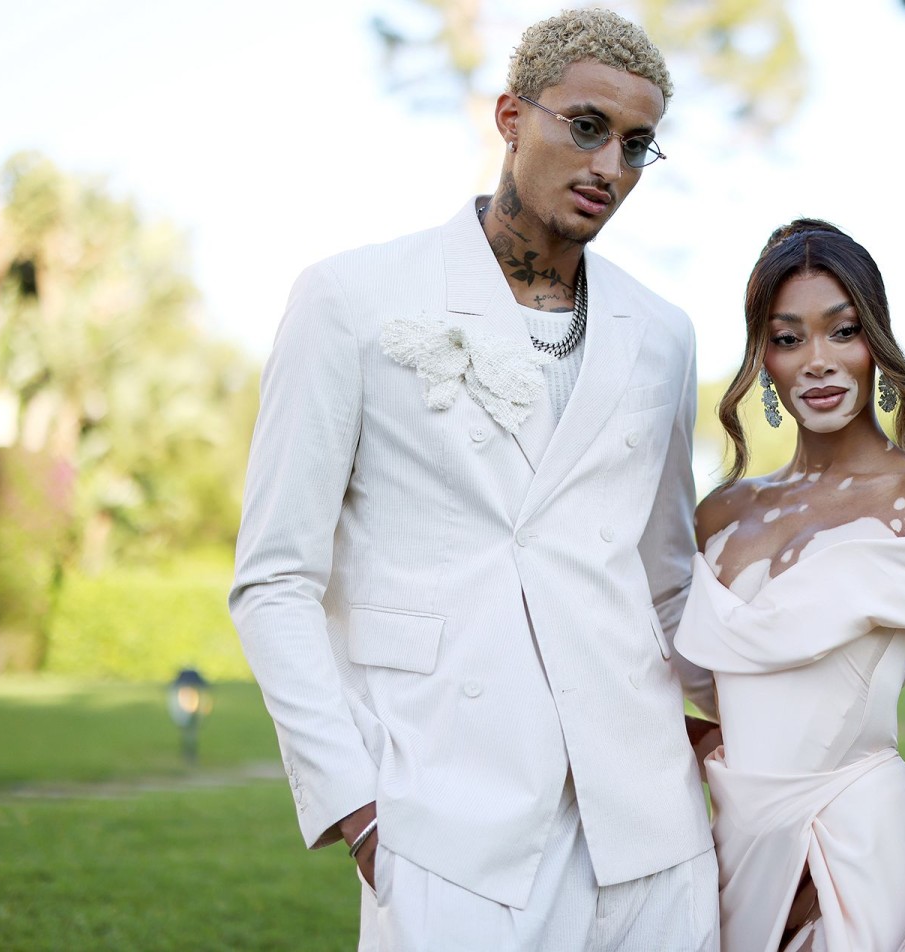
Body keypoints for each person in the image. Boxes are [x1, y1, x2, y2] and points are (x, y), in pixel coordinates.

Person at [229, 10, 719, 951]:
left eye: (636, 144)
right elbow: (274, 579)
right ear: (509, 116)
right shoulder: (352, 299)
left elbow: (667, 578)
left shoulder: (663, 335)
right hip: (443, 819)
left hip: (649, 824)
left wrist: (789, 718)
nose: (609, 166)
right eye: (585, 126)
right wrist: (356, 805)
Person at [677, 220, 905, 952]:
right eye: (788, 339)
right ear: (764, 360)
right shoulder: (722, 514)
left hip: (867, 879)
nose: (816, 361)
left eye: (840, 331)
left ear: (876, 342)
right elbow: (694, 702)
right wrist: (728, 760)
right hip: (733, 870)